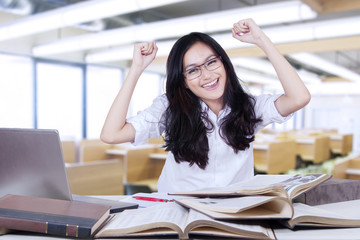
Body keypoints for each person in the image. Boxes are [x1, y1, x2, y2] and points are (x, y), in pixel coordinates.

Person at [100, 18, 311, 193]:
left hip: (232, 213)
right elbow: (111, 134)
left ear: (224, 63)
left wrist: (261, 40)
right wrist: (136, 69)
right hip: (178, 213)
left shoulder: (249, 106)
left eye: (211, 62)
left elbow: (299, 97)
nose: (207, 75)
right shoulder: (170, 108)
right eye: (193, 70)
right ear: (183, 80)